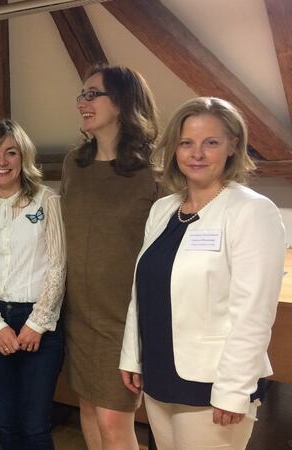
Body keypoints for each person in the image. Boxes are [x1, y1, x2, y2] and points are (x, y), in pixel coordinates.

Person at [119, 97, 285, 450]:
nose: (197, 153)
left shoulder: (252, 211)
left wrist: (233, 390)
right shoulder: (164, 209)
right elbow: (143, 291)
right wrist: (133, 355)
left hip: (214, 383)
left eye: (211, 142)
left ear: (232, 145)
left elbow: (253, 313)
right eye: (186, 143)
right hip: (160, 371)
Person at [60, 65, 159, 450]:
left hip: (124, 317)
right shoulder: (74, 163)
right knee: (87, 408)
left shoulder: (153, 169)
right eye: (81, 94)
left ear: (121, 102)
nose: (82, 102)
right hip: (80, 313)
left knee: (113, 420)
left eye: (92, 94)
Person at [0, 119, 66, 449]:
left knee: (35, 425)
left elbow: (57, 266)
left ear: (24, 157)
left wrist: (36, 323)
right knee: (7, 425)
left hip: (40, 324)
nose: (2, 162)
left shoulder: (46, 200)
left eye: (11, 153)